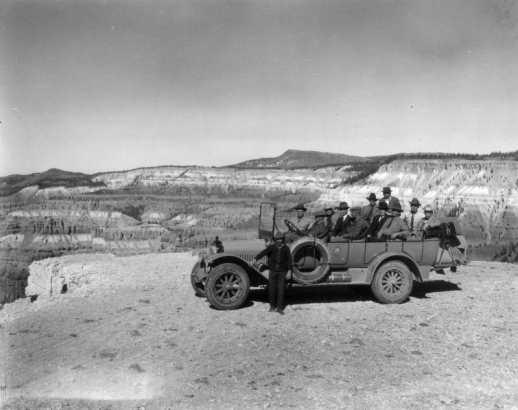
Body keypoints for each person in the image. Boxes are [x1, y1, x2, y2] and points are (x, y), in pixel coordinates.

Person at [253, 232, 292, 315]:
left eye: (280, 239)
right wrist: (255, 259)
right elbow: (263, 253)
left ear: (283, 239)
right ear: (275, 240)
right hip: (273, 271)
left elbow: (289, 260)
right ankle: (272, 306)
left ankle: (280, 308)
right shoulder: (271, 247)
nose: (279, 240)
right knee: (272, 289)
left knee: (281, 290)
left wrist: (289, 271)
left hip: (282, 272)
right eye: (277, 239)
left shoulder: (286, 248)